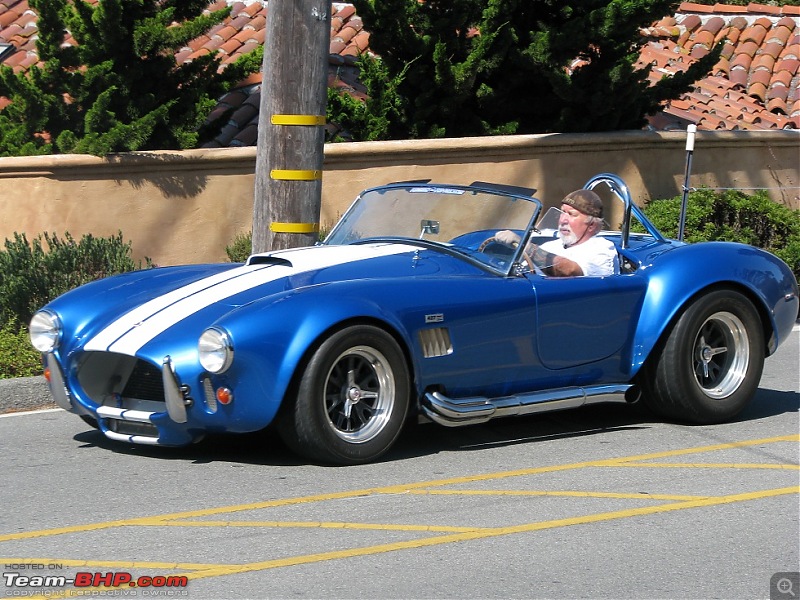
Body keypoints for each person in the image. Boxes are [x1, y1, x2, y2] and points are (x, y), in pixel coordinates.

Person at [496, 189, 619, 277]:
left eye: (571, 214)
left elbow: (569, 272)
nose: (562, 220)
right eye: (562, 212)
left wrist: (525, 246)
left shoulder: (601, 249)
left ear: (591, 225)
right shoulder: (552, 245)